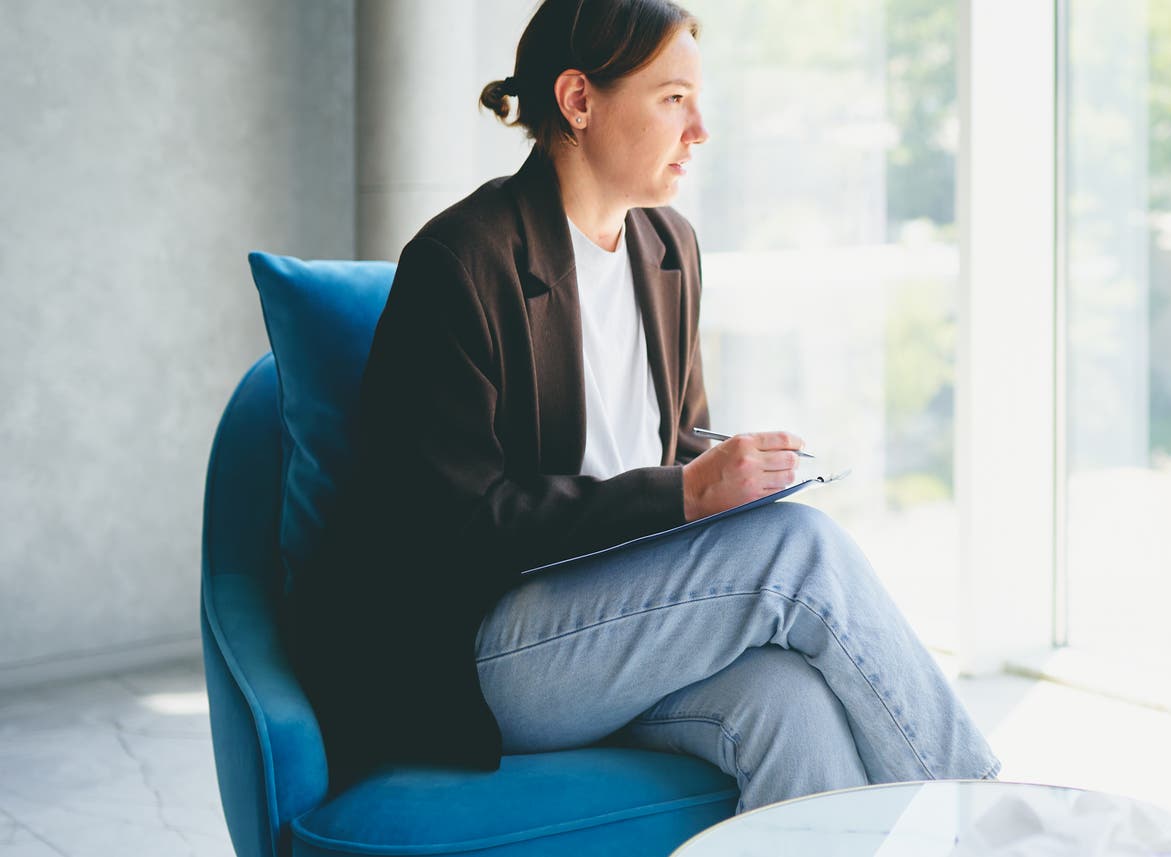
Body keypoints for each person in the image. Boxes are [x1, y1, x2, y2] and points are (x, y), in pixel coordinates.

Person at [287, 0, 997, 810]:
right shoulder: (462, 261)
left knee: (790, 707)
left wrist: (728, 477)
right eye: (672, 99)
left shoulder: (668, 248)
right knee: (798, 551)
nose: (700, 128)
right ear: (579, 101)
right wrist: (686, 495)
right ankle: (979, 812)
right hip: (480, 648)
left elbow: (675, 444)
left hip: (623, 624)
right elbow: (452, 526)